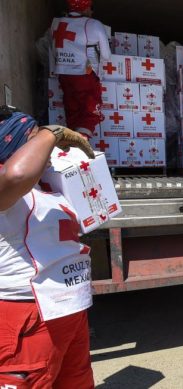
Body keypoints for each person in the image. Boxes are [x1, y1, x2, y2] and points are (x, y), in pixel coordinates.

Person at [0, 106, 96, 388]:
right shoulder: (9, 182)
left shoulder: (45, 186)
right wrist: (51, 132)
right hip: (27, 316)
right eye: (34, 138)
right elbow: (17, 175)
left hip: (69, 309)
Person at [50, 0, 111, 139]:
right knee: (89, 114)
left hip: (63, 75)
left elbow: (54, 52)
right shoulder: (93, 24)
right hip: (84, 75)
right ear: (86, 7)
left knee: (73, 111)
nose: (92, 11)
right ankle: (79, 146)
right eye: (91, 7)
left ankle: (70, 145)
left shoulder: (56, 23)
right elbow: (106, 56)